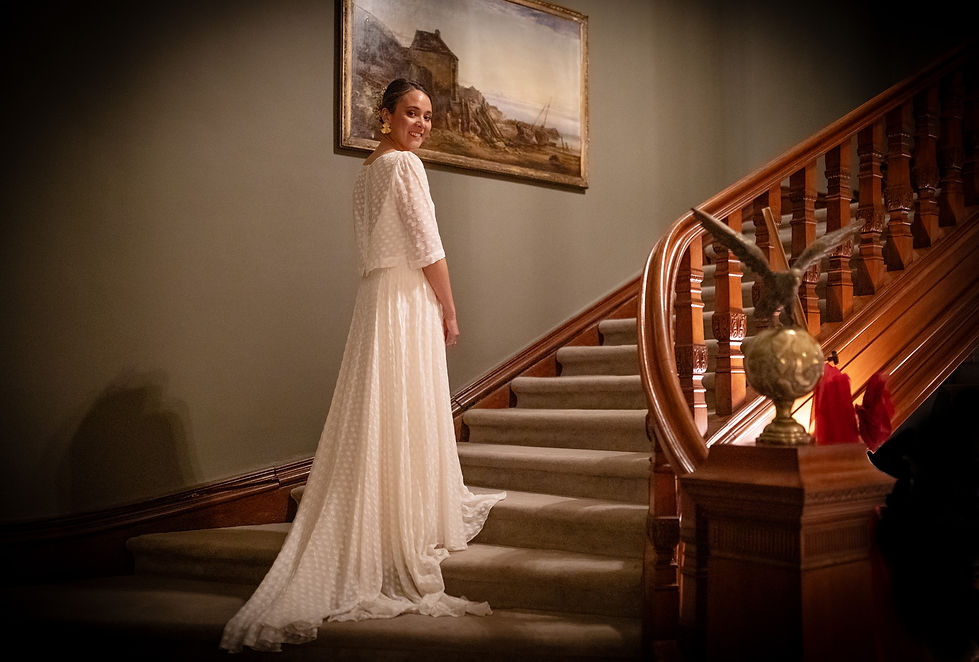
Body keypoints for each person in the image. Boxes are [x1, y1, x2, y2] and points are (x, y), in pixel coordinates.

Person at [219, 79, 506, 654]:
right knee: (402, 410)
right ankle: (402, 524)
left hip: (377, 302)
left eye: (427, 115)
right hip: (404, 300)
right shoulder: (405, 167)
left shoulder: (365, 174)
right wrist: (450, 308)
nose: (421, 124)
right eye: (410, 113)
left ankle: (390, 508)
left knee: (382, 412)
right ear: (386, 116)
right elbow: (428, 246)